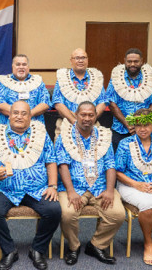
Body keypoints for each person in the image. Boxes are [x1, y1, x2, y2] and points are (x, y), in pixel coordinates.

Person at [0, 101, 60, 270]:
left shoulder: (41, 134)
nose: (19, 116)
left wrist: (52, 186)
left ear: (30, 117)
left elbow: (51, 161)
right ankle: (9, 250)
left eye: (24, 113)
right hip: (4, 188)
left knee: (54, 210)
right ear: (9, 115)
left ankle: (37, 249)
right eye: (15, 113)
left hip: (36, 188)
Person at [55, 101, 123, 266]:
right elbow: (62, 165)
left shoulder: (104, 136)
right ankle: (73, 247)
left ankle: (96, 245)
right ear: (76, 115)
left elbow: (110, 165)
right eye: (83, 114)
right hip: (73, 186)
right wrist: (70, 191)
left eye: (91, 115)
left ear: (96, 116)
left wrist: (109, 190)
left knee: (118, 214)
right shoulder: (64, 136)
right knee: (67, 213)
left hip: (100, 186)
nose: (87, 118)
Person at [114, 108, 152, 266]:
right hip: (130, 185)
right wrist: (136, 184)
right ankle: (148, 243)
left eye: (146, 125)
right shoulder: (125, 144)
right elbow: (117, 172)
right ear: (134, 126)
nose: (143, 129)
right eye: (139, 125)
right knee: (147, 207)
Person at [106, 48, 152, 150]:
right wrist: (127, 124)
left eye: (136, 61)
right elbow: (112, 103)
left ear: (142, 61)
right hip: (120, 130)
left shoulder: (150, 78)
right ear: (124, 61)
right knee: (118, 162)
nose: (132, 64)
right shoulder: (116, 78)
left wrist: (142, 124)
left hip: (144, 131)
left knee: (143, 162)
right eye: (129, 61)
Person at [0, 54, 51, 125]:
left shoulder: (38, 83)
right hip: (7, 126)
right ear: (12, 66)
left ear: (28, 67)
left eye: (24, 64)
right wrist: (18, 115)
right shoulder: (2, 82)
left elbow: (45, 104)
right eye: (18, 64)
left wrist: (28, 115)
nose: (21, 67)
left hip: (34, 126)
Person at [53, 48, 106, 125]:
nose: (80, 61)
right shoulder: (63, 78)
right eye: (77, 58)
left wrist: (90, 119)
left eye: (83, 58)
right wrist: (74, 122)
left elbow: (102, 102)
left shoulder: (96, 78)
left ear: (87, 60)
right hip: (67, 122)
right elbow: (58, 103)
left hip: (92, 124)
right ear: (71, 61)